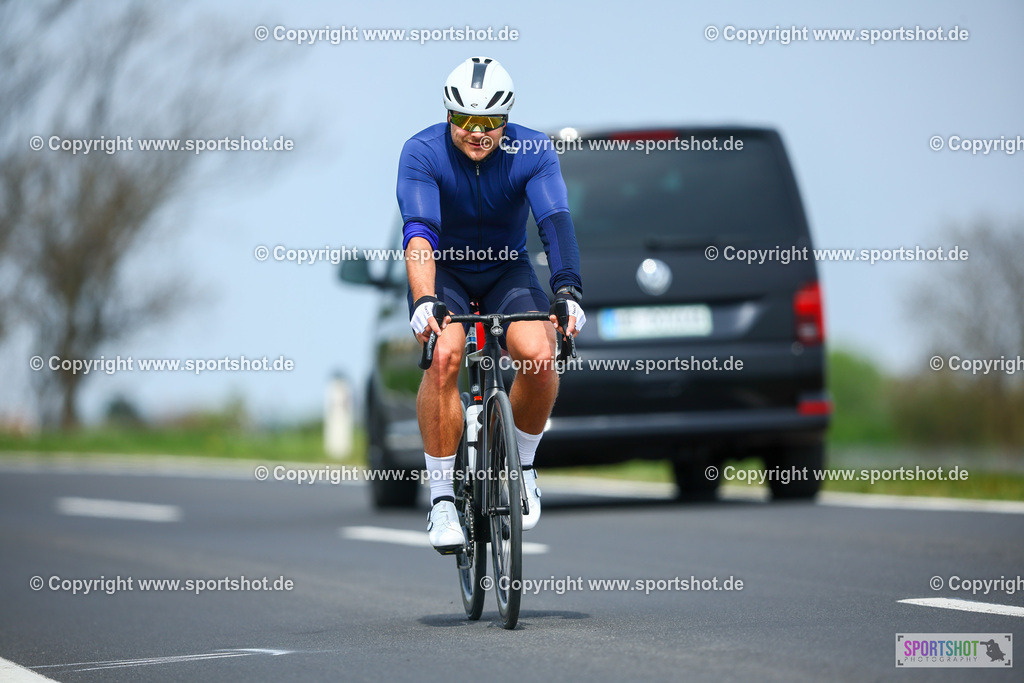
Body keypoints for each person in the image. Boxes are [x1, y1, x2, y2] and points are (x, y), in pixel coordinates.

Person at [397, 56, 585, 554]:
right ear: (448, 116)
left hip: (506, 269)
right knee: (444, 357)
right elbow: (419, 233)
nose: (477, 134)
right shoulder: (421, 152)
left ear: (507, 120)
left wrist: (567, 292)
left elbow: (555, 221)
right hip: (448, 273)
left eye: (491, 123)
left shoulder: (532, 150)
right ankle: (441, 500)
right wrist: (424, 299)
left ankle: (522, 464)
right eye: (465, 121)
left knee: (539, 355)